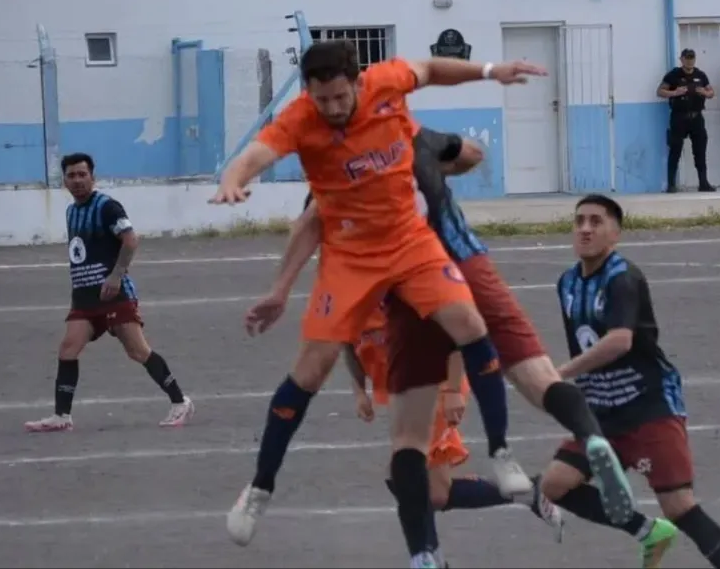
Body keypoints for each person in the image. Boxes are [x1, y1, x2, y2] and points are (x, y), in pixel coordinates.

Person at [211, 41, 544, 561]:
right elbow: (260, 153)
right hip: (349, 257)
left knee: (469, 323)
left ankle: (501, 453)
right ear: (309, 94)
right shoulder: (301, 119)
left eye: (341, 97)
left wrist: (488, 70)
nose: (334, 108)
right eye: (323, 100)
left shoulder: (388, 82)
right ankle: (259, 489)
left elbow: (431, 69)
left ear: (357, 83)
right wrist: (233, 178)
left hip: (409, 242)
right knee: (309, 370)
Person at [259, 128, 648, 568]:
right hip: (406, 378)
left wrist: (451, 388)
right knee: (433, 486)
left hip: (433, 382)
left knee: (411, 476)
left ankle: (441, 548)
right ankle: (546, 474)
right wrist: (359, 389)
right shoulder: (360, 275)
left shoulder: (396, 256)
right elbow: (348, 339)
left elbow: (457, 327)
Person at [538, 194, 720, 569]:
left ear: (614, 234)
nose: (585, 229)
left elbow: (620, 341)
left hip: (648, 406)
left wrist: (561, 373)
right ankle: (647, 531)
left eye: (596, 222)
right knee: (554, 485)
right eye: (579, 221)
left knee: (680, 506)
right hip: (600, 410)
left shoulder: (623, 278)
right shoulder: (567, 282)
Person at [344, 302, 568, 568]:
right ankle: (528, 493)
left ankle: (430, 559)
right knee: (435, 493)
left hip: (432, 388)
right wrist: (359, 391)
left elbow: (454, 334)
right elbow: (346, 344)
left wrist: (451, 391)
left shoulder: (401, 292)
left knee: (403, 475)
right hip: (405, 395)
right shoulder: (349, 295)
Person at [24, 153, 194, 433]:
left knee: (138, 351)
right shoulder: (72, 211)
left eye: (82, 174)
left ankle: (180, 401)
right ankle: (62, 416)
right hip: (85, 297)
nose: (77, 180)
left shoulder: (107, 207)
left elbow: (130, 240)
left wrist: (116, 276)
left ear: (93, 177)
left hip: (114, 295)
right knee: (68, 348)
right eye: (71, 175)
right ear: (64, 180)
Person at [657, 49, 716, 193]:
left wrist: (705, 93)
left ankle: (703, 183)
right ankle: (671, 184)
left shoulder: (700, 75)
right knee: (675, 150)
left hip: (696, 117)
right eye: (687, 58)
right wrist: (674, 92)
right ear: (681, 59)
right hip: (679, 117)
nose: (689, 61)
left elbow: (712, 92)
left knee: (700, 151)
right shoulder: (674, 75)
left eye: (692, 58)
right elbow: (660, 91)